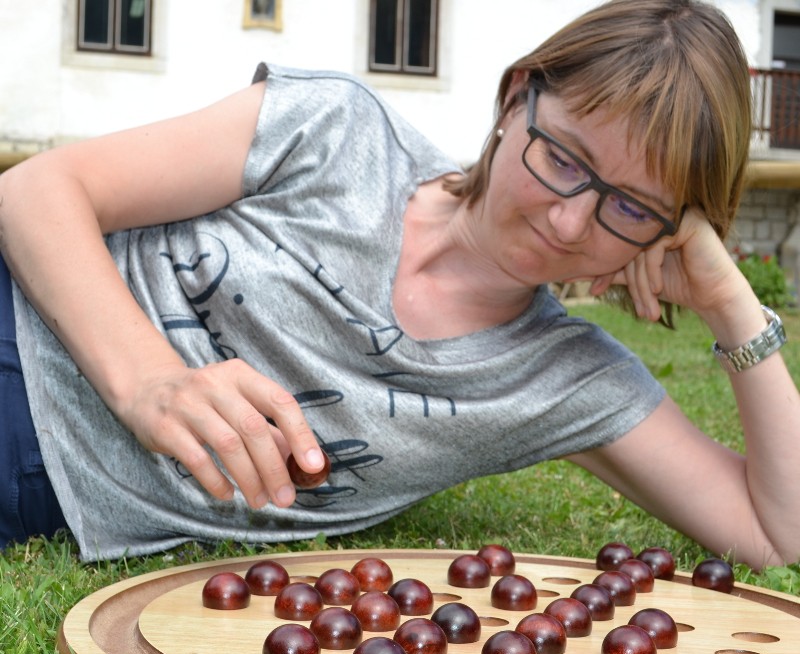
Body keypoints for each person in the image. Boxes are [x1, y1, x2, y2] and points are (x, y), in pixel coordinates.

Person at [1, 0, 798, 569]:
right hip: (27, 316)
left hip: (41, 490)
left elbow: (781, 537)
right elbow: (37, 192)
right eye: (563, 159)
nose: (569, 223)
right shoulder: (337, 129)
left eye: (629, 208)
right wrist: (151, 382)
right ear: (516, 97)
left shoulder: (563, 380)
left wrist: (733, 308)